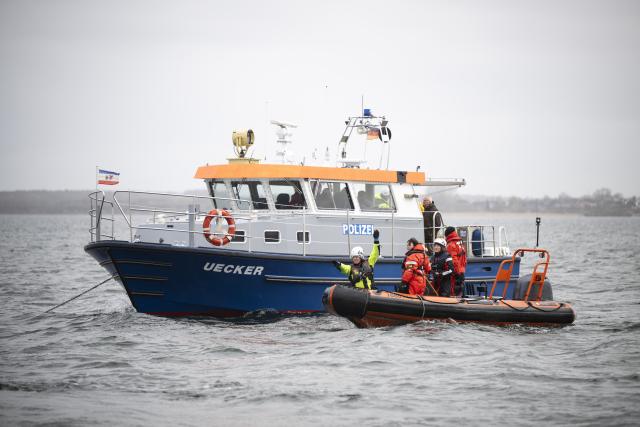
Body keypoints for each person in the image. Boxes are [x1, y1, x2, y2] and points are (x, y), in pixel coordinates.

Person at [445, 226, 467, 297]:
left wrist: (457, 272)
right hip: (462, 270)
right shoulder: (460, 243)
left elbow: (454, 260)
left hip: (456, 272)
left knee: (454, 291)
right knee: (461, 289)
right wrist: (462, 270)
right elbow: (464, 259)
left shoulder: (451, 245)